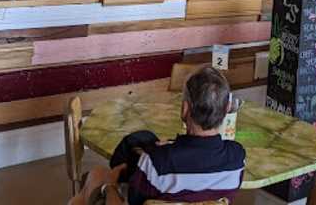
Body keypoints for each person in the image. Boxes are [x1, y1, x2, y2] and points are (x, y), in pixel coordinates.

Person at [104, 67, 245, 204]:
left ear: (185, 109)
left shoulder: (155, 162)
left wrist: (110, 186)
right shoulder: (237, 159)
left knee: (98, 175)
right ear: (227, 109)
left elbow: (134, 200)